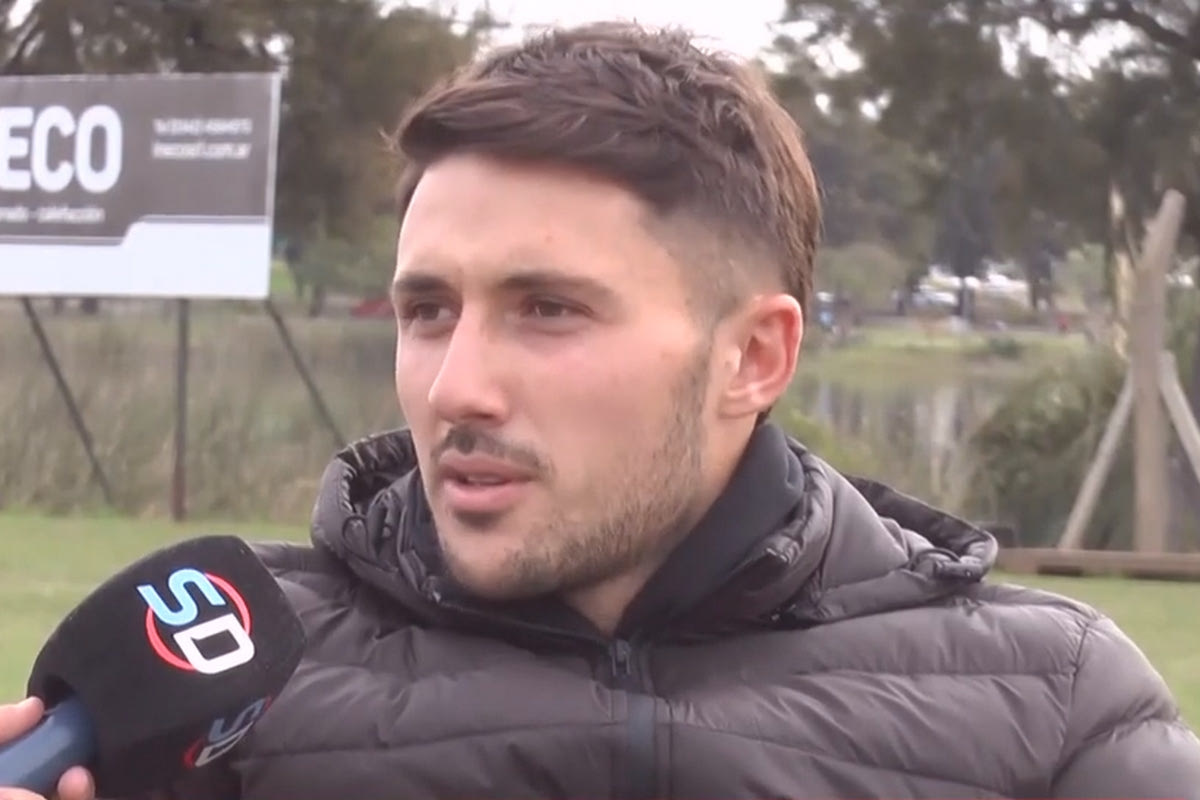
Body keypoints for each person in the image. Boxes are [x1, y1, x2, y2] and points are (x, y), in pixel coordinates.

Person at [4, 20, 1200, 800]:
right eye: (428, 311)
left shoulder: (1050, 706)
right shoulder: (224, 684)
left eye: (548, 310)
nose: (456, 387)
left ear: (754, 356)